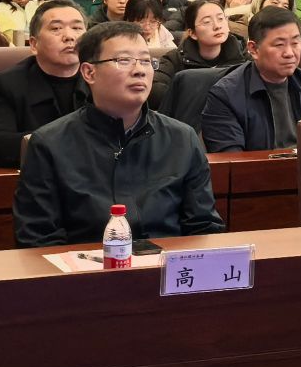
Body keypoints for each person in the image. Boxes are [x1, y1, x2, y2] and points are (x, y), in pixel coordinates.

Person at [13, 21, 222, 247]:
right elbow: (38, 239)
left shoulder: (182, 138)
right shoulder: (49, 144)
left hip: (165, 264)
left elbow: (203, 227)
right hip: (86, 266)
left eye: (146, 61)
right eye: (123, 60)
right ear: (89, 72)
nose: (139, 70)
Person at [201, 7, 301, 152]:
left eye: (295, 43)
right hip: (258, 166)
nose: (289, 53)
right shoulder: (225, 95)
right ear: (253, 49)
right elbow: (231, 159)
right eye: (279, 45)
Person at [0, 0, 90, 168]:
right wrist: (64, 141)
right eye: (56, 29)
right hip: (38, 176)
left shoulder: (103, 78)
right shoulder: (7, 84)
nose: (69, 36)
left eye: (77, 28)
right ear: (34, 44)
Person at [156, 0, 249, 81]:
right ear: (192, 33)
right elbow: (159, 87)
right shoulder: (174, 60)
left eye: (220, 19)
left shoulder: (242, 55)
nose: (217, 26)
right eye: (207, 22)